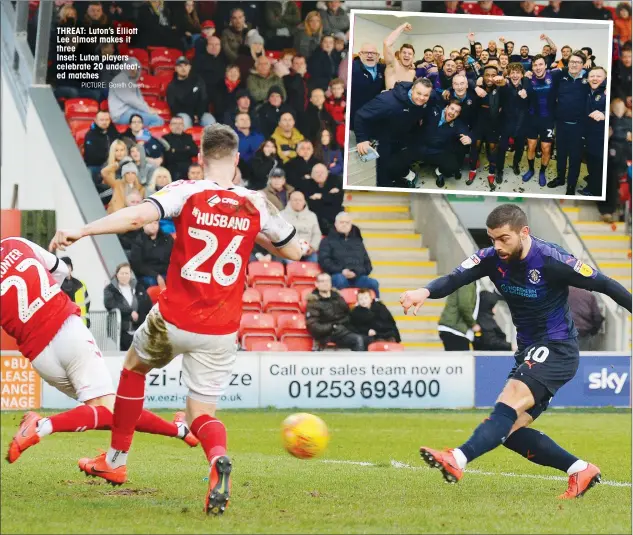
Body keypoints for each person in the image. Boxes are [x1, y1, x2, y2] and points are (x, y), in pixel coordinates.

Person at [49, 123, 306, 515]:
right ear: (236, 160)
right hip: (220, 327)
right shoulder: (256, 203)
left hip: (174, 316)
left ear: (201, 159)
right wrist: (282, 240)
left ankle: (116, 461)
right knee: (201, 414)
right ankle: (216, 457)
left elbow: (137, 217)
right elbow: (293, 252)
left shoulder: (188, 190)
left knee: (134, 369)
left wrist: (83, 230)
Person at [400, 204, 631, 498]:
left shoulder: (551, 259)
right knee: (508, 432)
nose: (496, 246)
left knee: (508, 401)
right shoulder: (490, 258)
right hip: (529, 351)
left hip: (556, 347)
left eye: (503, 239)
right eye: (491, 239)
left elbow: (606, 284)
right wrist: (424, 291)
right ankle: (580, 469)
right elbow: (454, 278)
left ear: (524, 233)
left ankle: (456, 459)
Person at [2, 237, 199, 466]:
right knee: (107, 409)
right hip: (65, 330)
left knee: (112, 409)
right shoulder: (14, 243)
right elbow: (62, 270)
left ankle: (181, 431)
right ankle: (41, 427)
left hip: (38, 355)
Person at [355, 78, 433, 188]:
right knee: (382, 172)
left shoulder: (423, 102)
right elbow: (360, 115)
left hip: (399, 135)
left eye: (426, 95)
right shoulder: (387, 101)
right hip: (381, 137)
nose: (421, 98)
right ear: (412, 89)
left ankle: (397, 179)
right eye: (419, 93)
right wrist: (362, 139)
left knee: (399, 161)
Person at [389, 99, 472, 188]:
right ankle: (411, 177)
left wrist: (470, 138)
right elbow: (416, 110)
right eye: (452, 109)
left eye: (456, 112)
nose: (453, 113)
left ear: (458, 114)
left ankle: (438, 172)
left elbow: (467, 133)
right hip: (418, 147)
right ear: (446, 107)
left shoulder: (458, 124)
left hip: (437, 151)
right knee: (393, 164)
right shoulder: (433, 111)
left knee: (453, 167)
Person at [547, 51, 590, 195]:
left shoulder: (589, 78)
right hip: (561, 124)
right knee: (561, 154)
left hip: (579, 127)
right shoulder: (561, 76)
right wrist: (529, 74)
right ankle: (560, 178)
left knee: (575, 157)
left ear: (583, 65)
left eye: (577, 62)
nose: (574, 64)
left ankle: (571, 184)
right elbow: (544, 75)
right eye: (572, 61)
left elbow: (602, 82)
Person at [318, 212, 380, 298]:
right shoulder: (327, 241)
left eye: (347, 223)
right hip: (338, 275)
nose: (344, 225)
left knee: (373, 283)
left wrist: (356, 272)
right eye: (341, 222)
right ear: (335, 224)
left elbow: (368, 266)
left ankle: (376, 306)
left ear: (351, 225)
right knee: (340, 280)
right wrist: (342, 271)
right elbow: (324, 261)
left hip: (357, 277)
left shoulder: (358, 242)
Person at [306, 272, 368, 351]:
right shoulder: (313, 302)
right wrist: (333, 326)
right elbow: (313, 327)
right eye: (322, 281)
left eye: (328, 281)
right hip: (327, 335)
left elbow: (348, 314)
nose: (326, 283)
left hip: (343, 329)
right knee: (358, 339)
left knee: (368, 338)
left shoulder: (337, 297)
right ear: (316, 284)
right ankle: (357, 363)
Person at [467, 66, 504, 191]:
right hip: (478, 123)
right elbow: (466, 79)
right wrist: (475, 86)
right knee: (475, 147)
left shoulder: (500, 88)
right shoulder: (478, 87)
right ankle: (472, 170)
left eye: (493, 75)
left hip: (494, 125)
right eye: (487, 75)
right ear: (482, 76)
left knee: (493, 149)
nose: (490, 78)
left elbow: (510, 84)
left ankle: (491, 173)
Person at [523, 55, 557, 187]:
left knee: (546, 148)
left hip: (548, 119)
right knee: (531, 146)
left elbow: (572, 67)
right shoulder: (528, 78)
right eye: (535, 65)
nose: (538, 67)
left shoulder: (554, 75)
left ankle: (542, 172)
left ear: (546, 65)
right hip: (532, 118)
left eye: (540, 64)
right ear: (532, 67)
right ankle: (531, 169)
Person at [104, 262, 153, 350]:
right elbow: (110, 304)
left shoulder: (139, 288)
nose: (124, 276)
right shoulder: (110, 289)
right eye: (122, 273)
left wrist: (139, 316)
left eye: (127, 273)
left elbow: (147, 304)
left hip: (139, 329)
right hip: (120, 330)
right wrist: (130, 312)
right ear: (117, 275)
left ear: (130, 274)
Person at [496, 63, 530, 182]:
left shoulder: (527, 84)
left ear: (522, 75)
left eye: (517, 73)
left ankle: (516, 164)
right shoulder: (504, 86)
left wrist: (526, 94)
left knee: (520, 147)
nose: (515, 75)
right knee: (501, 148)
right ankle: (499, 170)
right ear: (509, 75)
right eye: (512, 73)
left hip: (521, 123)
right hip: (505, 122)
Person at [579, 67, 608, 196]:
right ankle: (593, 180)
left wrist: (604, 114)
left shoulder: (608, 91)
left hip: (601, 136)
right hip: (588, 134)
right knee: (591, 161)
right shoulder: (587, 89)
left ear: (605, 78)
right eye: (592, 76)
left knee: (597, 163)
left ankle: (595, 191)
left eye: (599, 76)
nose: (595, 78)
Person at [166, 56, 216, 130]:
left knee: (211, 121)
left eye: (186, 65)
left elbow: (204, 99)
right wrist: (192, 116)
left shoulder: (198, 80)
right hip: (183, 114)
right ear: (175, 69)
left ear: (189, 67)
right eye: (180, 66)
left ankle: (211, 141)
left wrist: (198, 115)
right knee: (184, 121)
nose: (183, 68)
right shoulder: (171, 86)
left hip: (200, 113)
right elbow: (174, 107)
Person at [349, 43, 386, 131]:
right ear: (360, 54)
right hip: (355, 120)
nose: (370, 56)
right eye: (366, 53)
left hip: (375, 119)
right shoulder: (351, 68)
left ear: (378, 56)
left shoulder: (383, 69)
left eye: (373, 53)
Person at [437, 281, 482, 351]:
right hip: (455, 329)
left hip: (455, 329)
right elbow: (464, 306)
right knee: (461, 360)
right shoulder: (468, 281)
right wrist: (473, 324)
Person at [130, 220, 174, 289]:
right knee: (151, 282)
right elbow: (137, 266)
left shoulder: (167, 238)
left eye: (155, 223)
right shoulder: (138, 241)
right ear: (143, 226)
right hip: (148, 274)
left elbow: (175, 257)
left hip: (167, 271)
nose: (153, 225)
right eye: (149, 223)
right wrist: (156, 276)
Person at [281, 190, 322, 263]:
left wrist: (312, 247)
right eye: (295, 200)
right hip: (288, 252)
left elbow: (317, 234)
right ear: (289, 201)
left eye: (300, 200)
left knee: (314, 264)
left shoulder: (312, 216)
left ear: (304, 201)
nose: (298, 202)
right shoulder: (281, 215)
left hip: (308, 251)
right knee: (293, 267)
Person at [59, 256, 90, 328]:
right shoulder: (56, 284)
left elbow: (87, 304)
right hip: (63, 325)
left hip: (80, 324)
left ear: (71, 268)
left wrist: (87, 321)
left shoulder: (80, 285)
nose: (66, 269)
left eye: (68, 266)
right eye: (64, 266)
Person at [383, 23, 416, 90]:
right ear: (399, 55)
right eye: (404, 53)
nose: (406, 55)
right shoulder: (393, 65)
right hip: (389, 99)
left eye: (409, 54)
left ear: (413, 57)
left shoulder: (412, 72)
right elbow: (387, 43)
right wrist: (402, 27)